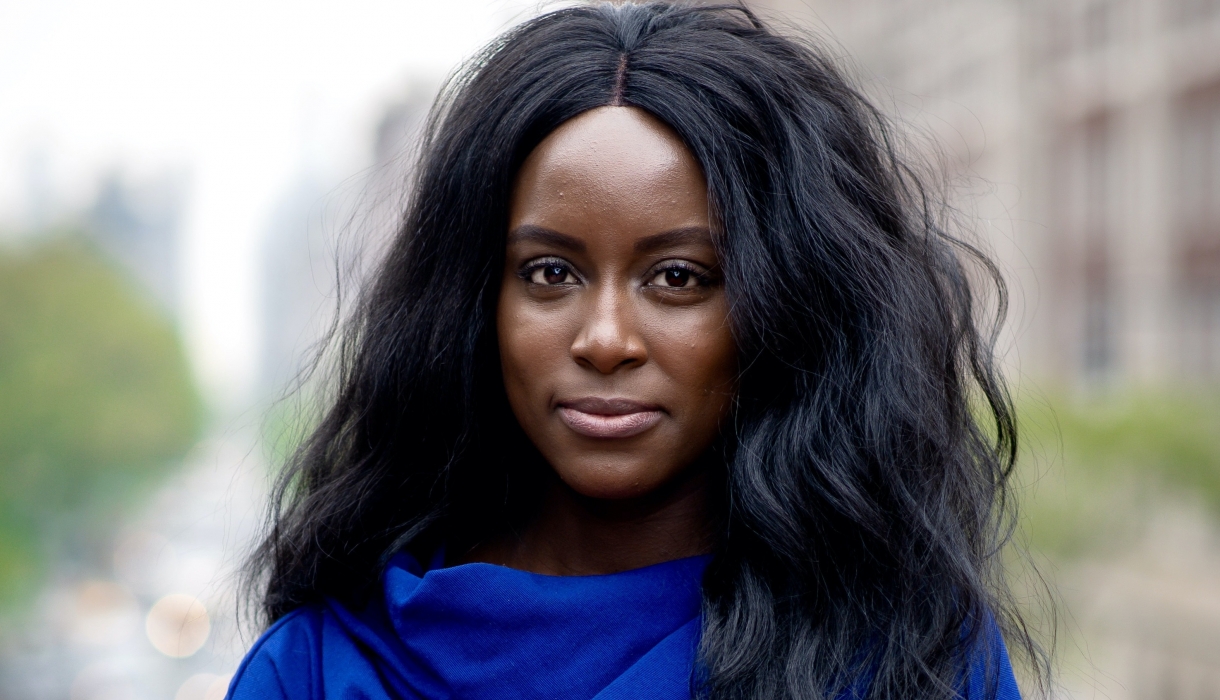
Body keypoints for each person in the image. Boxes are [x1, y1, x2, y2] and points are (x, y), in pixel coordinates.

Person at [230, 3, 1045, 699]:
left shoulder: (912, 656)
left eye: (679, 277)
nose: (607, 339)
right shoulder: (317, 668)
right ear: (478, 303)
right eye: (550, 273)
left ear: (786, 307)